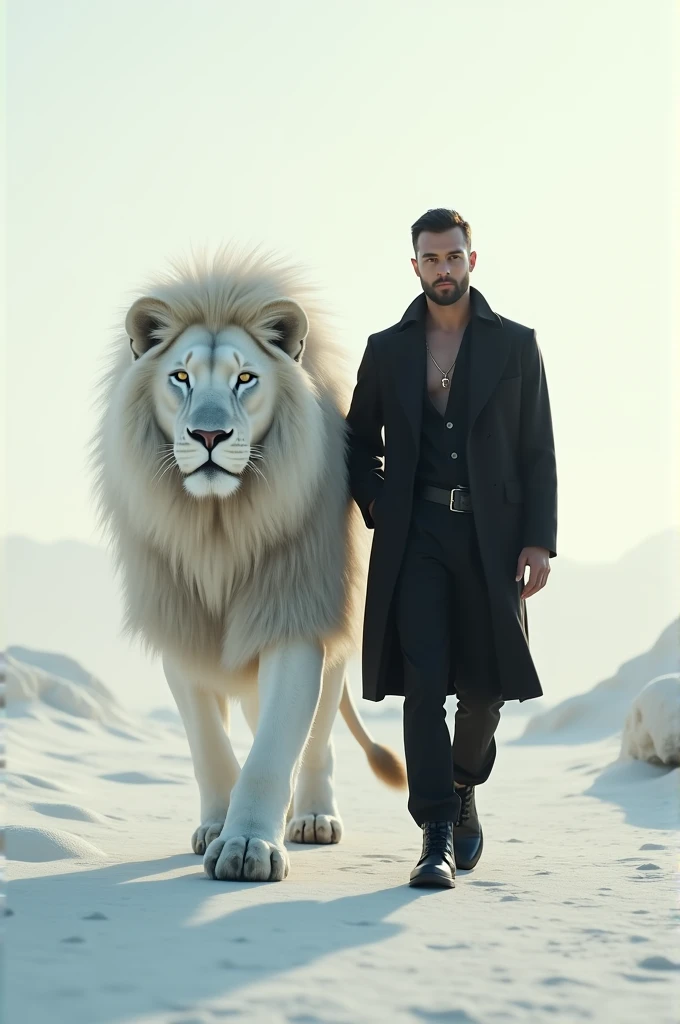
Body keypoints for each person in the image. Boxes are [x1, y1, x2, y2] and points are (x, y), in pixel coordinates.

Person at [346, 208, 557, 889]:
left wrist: (538, 541)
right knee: (424, 685)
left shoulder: (516, 345)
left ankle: (464, 782)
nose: (444, 268)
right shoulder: (386, 349)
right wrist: (377, 500)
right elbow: (357, 442)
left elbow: (538, 452)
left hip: (491, 541)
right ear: (414, 266)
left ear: (473, 259)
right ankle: (436, 830)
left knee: (485, 692)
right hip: (416, 541)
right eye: (431, 258)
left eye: (454, 256)